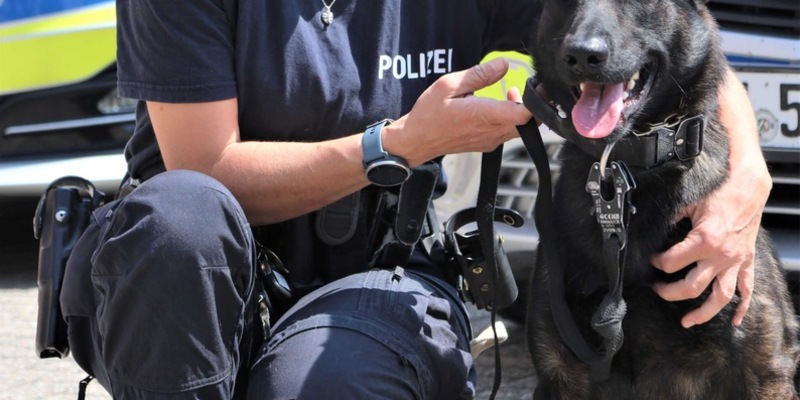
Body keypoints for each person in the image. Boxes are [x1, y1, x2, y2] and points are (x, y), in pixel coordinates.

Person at [58, 1, 770, 399]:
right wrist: (394, 146)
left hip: (373, 275)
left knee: (325, 389)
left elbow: (667, 33)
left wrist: (745, 178)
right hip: (195, 277)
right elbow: (206, 167)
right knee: (178, 214)